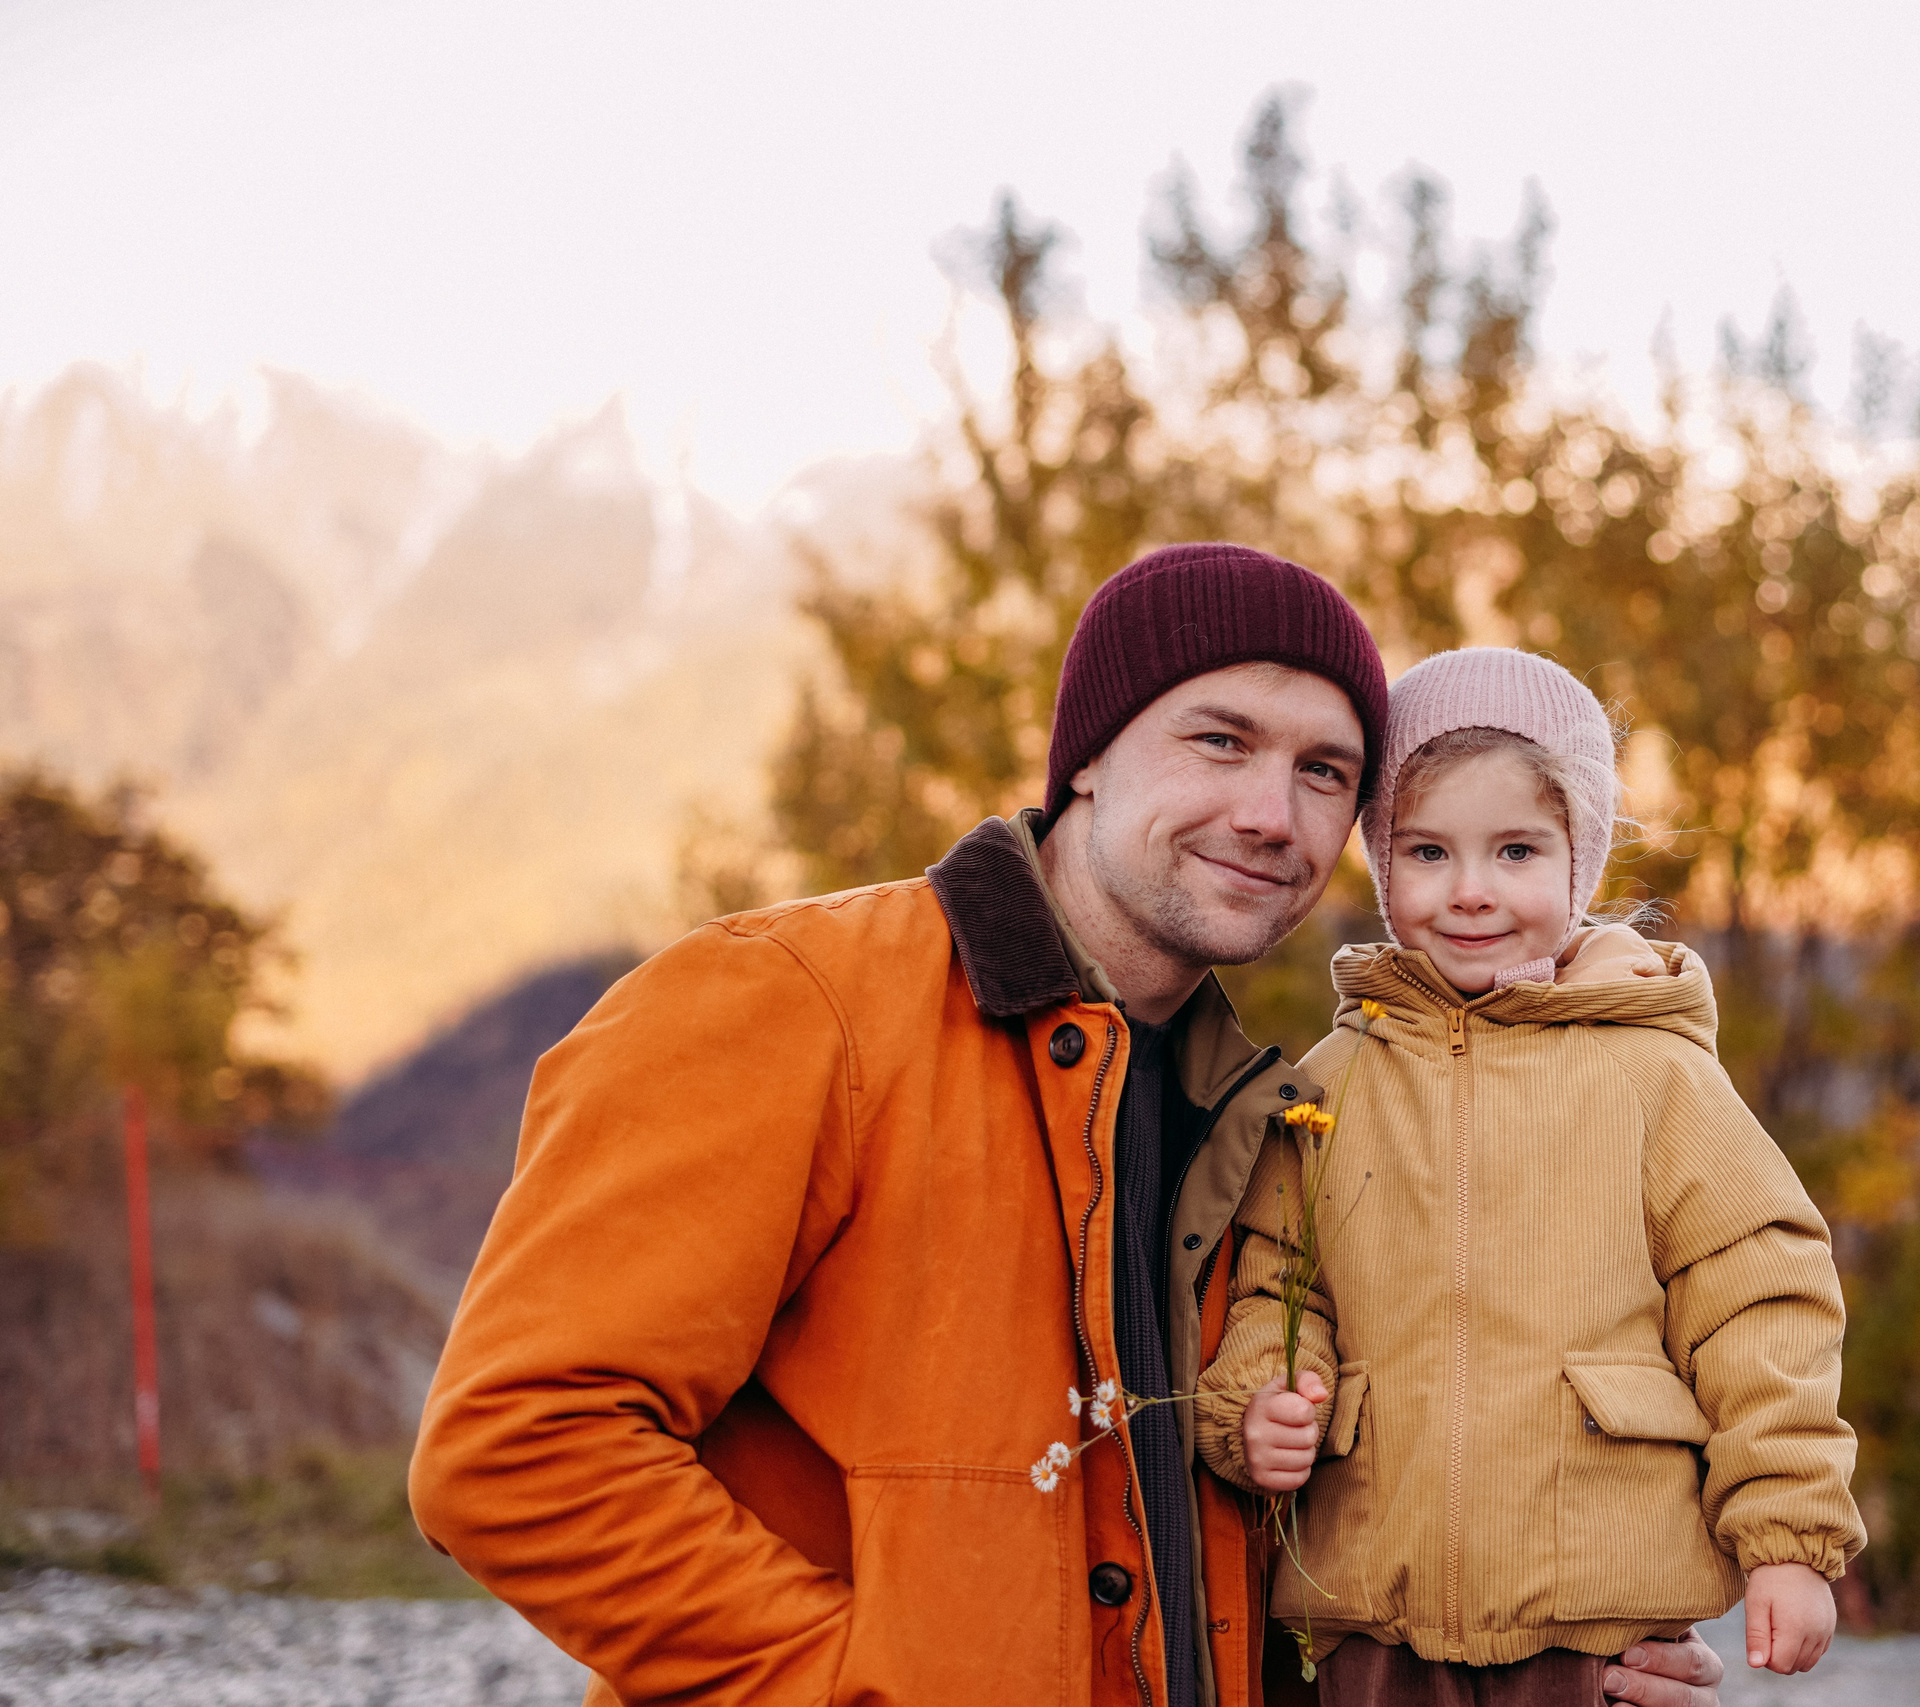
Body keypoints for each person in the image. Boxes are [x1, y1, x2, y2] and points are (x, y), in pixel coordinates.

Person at [409, 548, 1733, 1707]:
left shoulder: (1281, 1113)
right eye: (1220, 740)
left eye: (1323, 771)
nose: (1271, 812)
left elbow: (1292, 1499)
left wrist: (1569, 1640)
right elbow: (518, 1444)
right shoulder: (786, 1001)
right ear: (1090, 753)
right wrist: (852, 1683)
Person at [1198, 646, 1865, 1705]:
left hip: (1593, 1618)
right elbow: (1278, 1277)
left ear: (1578, 864)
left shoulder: (1654, 1074)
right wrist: (1257, 1401)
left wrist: (1786, 1535)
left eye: (1515, 850)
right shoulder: (1336, 1079)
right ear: (1381, 861)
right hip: (1375, 1614)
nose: (1470, 892)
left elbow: (1760, 1294)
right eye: (1426, 852)